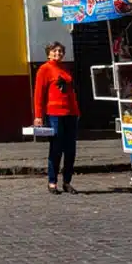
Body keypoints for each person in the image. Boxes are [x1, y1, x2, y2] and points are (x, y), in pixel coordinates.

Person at [33, 41, 81, 194]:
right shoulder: (44, 69)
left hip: (70, 113)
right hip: (54, 113)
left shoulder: (65, 70)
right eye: (55, 51)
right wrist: (38, 116)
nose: (58, 54)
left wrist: (77, 112)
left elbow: (71, 93)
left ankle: (67, 182)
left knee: (71, 150)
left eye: (60, 51)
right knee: (56, 148)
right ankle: (52, 182)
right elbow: (39, 94)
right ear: (48, 53)